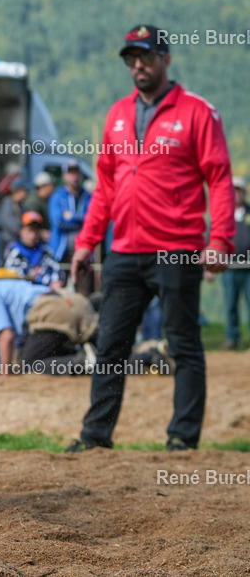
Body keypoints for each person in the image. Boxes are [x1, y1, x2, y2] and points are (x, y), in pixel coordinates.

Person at [68, 24, 235, 453]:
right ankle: (95, 438)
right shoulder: (117, 114)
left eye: (144, 56)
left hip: (177, 250)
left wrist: (221, 241)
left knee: (183, 345)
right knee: (110, 346)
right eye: (130, 58)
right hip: (123, 250)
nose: (137, 65)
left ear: (165, 58)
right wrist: (87, 241)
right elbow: (104, 184)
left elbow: (219, 179)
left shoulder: (198, 112)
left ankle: (182, 438)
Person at [0, 274, 96, 374]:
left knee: (30, 364)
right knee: (41, 350)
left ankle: (84, 361)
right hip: (73, 301)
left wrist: (6, 375)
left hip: (51, 311)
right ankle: (88, 351)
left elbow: (6, 336)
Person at [49, 161, 91, 291]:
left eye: (77, 172)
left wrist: (71, 216)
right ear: (64, 176)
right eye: (70, 173)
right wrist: (81, 220)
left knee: (84, 292)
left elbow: (92, 220)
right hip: (60, 252)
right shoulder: (57, 196)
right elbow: (59, 221)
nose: (74, 176)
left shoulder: (88, 196)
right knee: (57, 290)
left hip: (83, 251)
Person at [221, 176, 250, 350]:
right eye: (233, 190)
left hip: (249, 267)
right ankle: (232, 338)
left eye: (238, 190)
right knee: (230, 304)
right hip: (229, 267)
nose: (236, 194)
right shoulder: (223, 214)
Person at [2, 212, 63, 287]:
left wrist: (35, 276)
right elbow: (14, 278)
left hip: (44, 295)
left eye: (36, 231)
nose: (32, 236)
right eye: (29, 230)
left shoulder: (45, 251)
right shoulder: (14, 250)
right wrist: (37, 276)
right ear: (21, 231)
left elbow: (58, 275)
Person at [0, 177, 30, 252]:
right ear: (18, 191)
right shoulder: (8, 203)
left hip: (19, 241)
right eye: (25, 191)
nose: (27, 194)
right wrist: (25, 230)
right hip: (9, 242)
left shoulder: (22, 206)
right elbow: (13, 225)